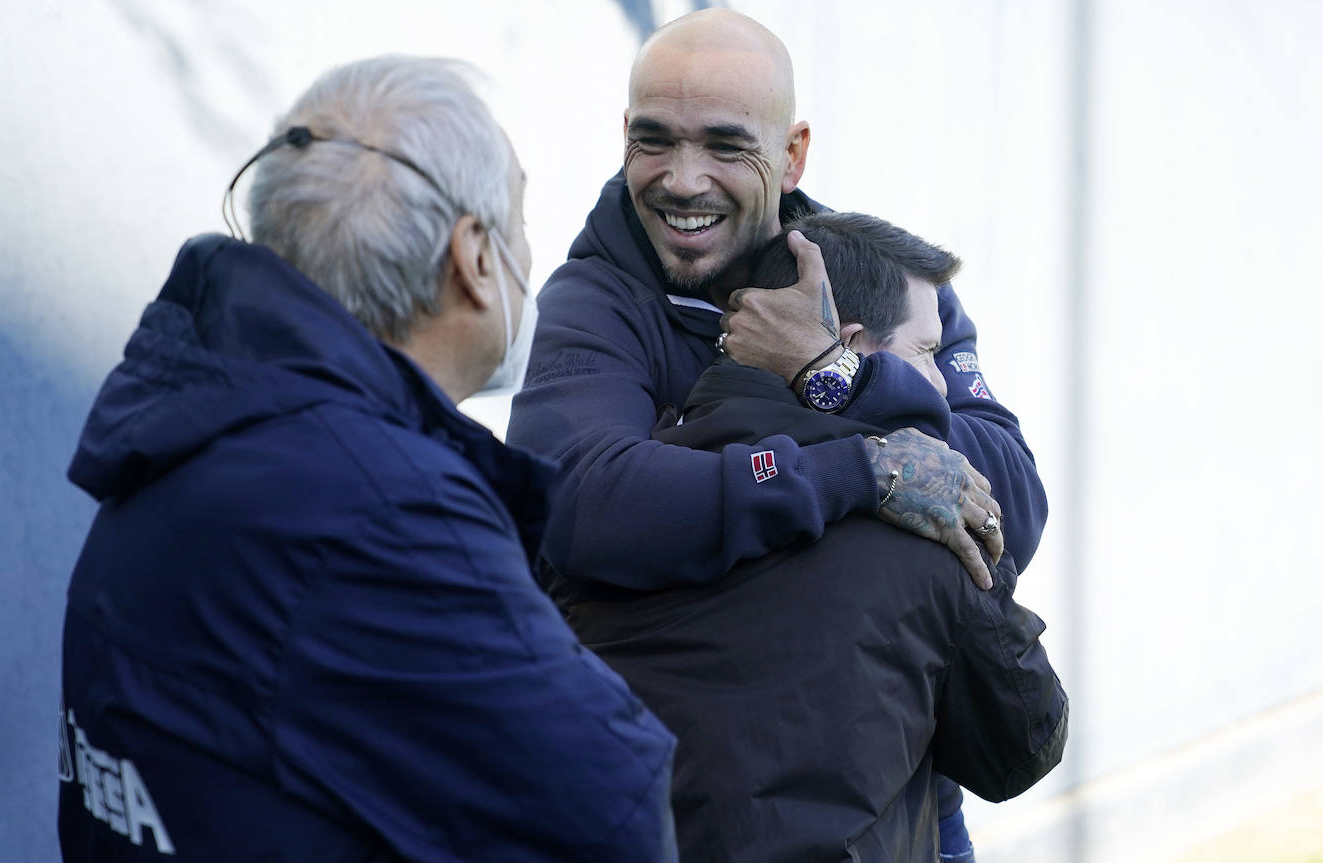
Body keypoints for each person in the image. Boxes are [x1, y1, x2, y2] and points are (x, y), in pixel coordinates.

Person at [56, 55, 676, 862]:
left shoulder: (192, 429)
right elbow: (613, 812)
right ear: (475, 258)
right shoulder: (385, 505)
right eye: (522, 220)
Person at [506, 10, 1048, 860]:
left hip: (896, 792)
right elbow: (583, 503)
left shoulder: (881, 275)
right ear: (623, 138)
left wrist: (833, 371)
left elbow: (1009, 494)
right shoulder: (592, 302)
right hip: (678, 800)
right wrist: (858, 469)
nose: (684, 179)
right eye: (655, 141)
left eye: (726, 146)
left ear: (793, 154)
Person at [570, 211, 1068, 861]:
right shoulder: (933, 519)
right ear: (852, 344)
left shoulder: (631, 493)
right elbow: (1024, 744)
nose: (943, 384)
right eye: (925, 352)